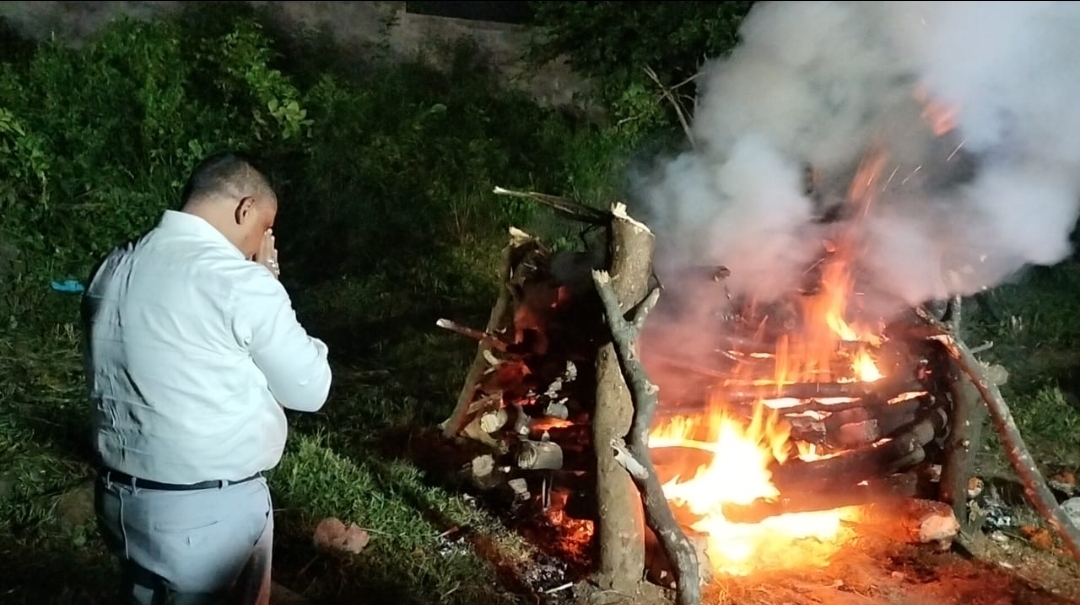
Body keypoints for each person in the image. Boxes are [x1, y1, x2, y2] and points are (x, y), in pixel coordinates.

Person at [81, 151, 333, 604]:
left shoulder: (113, 266)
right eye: (265, 228)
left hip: (122, 502)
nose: (260, 243)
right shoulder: (240, 282)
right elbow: (310, 387)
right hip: (207, 517)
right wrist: (269, 281)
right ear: (245, 210)